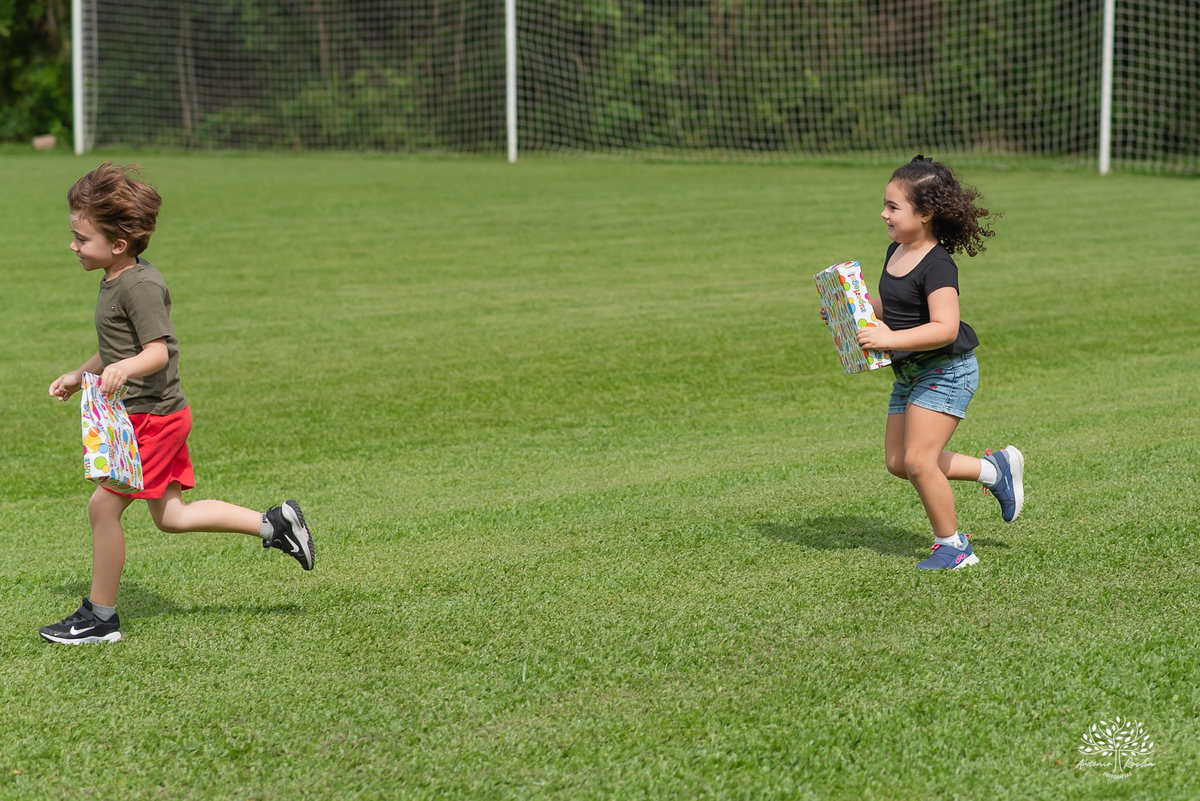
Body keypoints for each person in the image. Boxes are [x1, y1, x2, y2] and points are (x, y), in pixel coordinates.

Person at [40, 163, 315, 644]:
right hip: (148, 416)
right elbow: (116, 348)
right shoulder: (115, 278)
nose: (73, 246)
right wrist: (81, 377)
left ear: (117, 244)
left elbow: (157, 351)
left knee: (102, 509)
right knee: (172, 517)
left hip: (154, 419)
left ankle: (100, 618)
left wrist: (127, 369)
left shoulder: (140, 286)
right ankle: (274, 524)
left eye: (81, 238)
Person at [830, 155, 1023, 570]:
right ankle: (994, 470)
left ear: (925, 213)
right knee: (899, 463)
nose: (884, 214)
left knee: (919, 461)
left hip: (947, 370)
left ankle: (954, 547)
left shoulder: (938, 266)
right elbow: (895, 304)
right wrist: (851, 311)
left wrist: (889, 338)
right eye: (884, 205)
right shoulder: (896, 250)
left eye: (893, 207)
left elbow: (945, 328)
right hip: (911, 371)